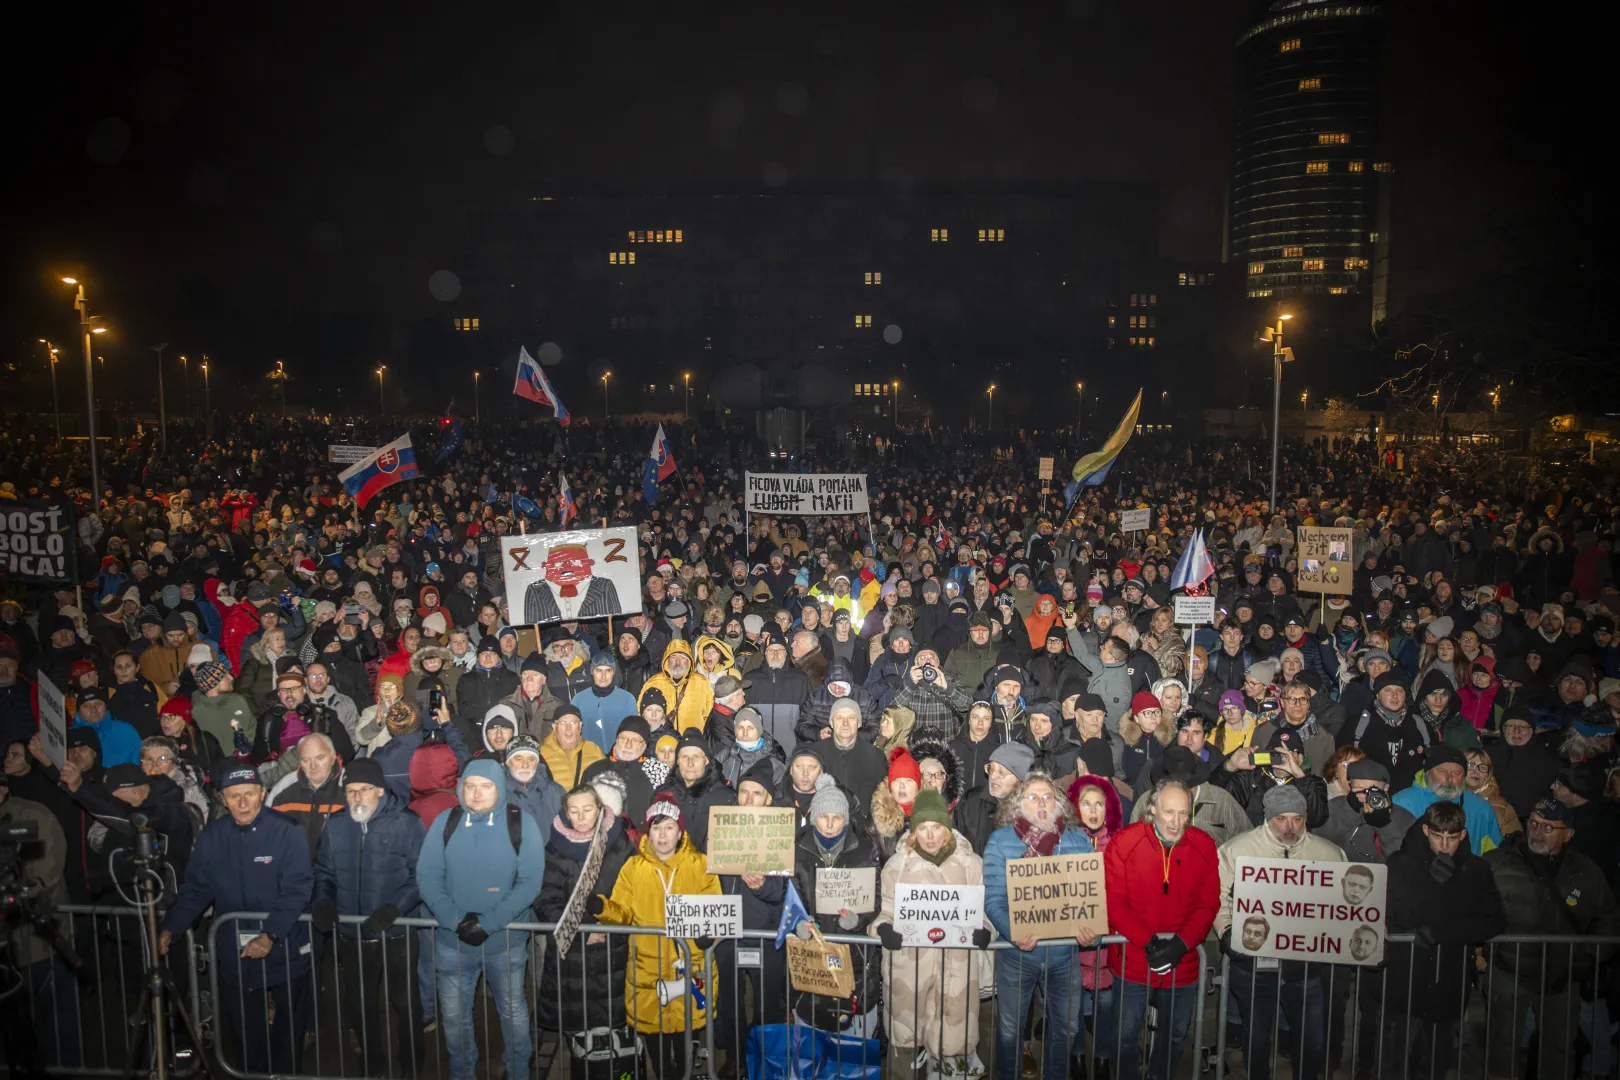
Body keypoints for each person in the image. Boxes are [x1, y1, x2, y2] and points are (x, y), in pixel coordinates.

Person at [158, 763, 314, 1075]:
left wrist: (270, 934)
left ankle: (285, 1074)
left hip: (285, 945)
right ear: (223, 800)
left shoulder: (288, 831)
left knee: (289, 1025)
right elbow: (197, 889)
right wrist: (171, 927)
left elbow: (298, 888)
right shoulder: (213, 837)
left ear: (263, 794)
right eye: (234, 796)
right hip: (235, 949)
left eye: (249, 794)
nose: (242, 803)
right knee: (245, 1028)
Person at [415, 758, 547, 1080]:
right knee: (454, 1019)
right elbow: (428, 877)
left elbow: (529, 883)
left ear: (499, 788)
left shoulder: (521, 824)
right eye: (470, 786)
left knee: (513, 1014)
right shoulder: (446, 822)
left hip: (506, 944)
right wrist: (455, 920)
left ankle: (518, 1072)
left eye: (485, 786)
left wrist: (488, 923)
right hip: (453, 944)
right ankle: (462, 1073)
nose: (476, 793)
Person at [1479, 797, 1620, 1080]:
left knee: (1557, 1051)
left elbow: (1609, 920)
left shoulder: (1586, 872)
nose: (1537, 831)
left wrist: (1585, 958)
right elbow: (1474, 910)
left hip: (1562, 979)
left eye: (1547, 827)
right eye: (1533, 823)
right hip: (1509, 973)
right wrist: (1483, 952)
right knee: (1501, 1048)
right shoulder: (1497, 863)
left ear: (1568, 834)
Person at [1365, 799, 1505, 1080]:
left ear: (1462, 835)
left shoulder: (1476, 869)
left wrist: (1442, 933)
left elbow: (1493, 921)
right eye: (1438, 836)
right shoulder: (1401, 863)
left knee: (1435, 1066)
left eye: (1451, 838)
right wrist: (1432, 887)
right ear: (1426, 830)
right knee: (1394, 1065)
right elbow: (1396, 915)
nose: (1444, 845)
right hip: (1404, 984)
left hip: (1448, 984)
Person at [1216, 784, 1346, 1080]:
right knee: (1257, 1038)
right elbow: (1219, 897)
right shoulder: (1237, 850)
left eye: (1297, 819)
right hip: (1253, 965)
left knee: (1311, 1040)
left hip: (1305, 966)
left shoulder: (1329, 854)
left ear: (1306, 817)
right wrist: (1227, 930)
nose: (1290, 827)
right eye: (1281, 819)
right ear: (1268, 817)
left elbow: (1350, 906)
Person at [587, 792, 721, 1080]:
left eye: (669, 827)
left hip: (691, 966)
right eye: (656, 827)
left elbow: (716, 911)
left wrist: (708, 936)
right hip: (648, 971)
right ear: (648, 831)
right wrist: (603, 908)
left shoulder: (700, 864)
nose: (662, 835)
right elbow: (621, 912)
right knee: (658, 1051)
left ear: (680, 831)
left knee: (686, 1046)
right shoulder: (634, 868)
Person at [310, 756, 427, 1077]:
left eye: (364, 789)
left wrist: (394, 909)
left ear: (380, 790)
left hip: (397, 934)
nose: (356, 797)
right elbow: (323, 872)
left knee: (406, 1003)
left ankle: (412, 1063)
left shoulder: (406, 823)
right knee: (361, 1004)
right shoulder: (336, 825)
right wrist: (323, 901)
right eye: (350, 791)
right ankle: (372, 1063)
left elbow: (421, 875)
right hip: (353, 935)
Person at [1098, 779, 1219, 1080]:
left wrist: (1183, 943)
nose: (1176, 822)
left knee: (1174, 1037)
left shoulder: (1203, 844)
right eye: (1169, 812)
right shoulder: (1125, 842)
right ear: (1153, 809)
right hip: (1133, 960)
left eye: (1183, 813)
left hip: (1183, 963)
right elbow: (1113, 902)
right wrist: (1148, 942)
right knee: (1125, 1036)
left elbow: (1208, 903)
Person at [983, 770, 1095, 1080]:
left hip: (1064, 956)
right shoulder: (1001, 841)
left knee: (1067, 1028)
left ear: (1058, 802)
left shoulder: (1078, 840)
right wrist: (1014, 932)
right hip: (1017, 956)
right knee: (1010, 1030)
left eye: (1048, 796)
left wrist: (1092, 932)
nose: (1042, 803)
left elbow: (1092, 894)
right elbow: (993, 899)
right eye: (1033, 797)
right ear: (1018, 804)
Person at [872, 790, 990, 1079]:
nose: (930, 836)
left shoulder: (970, 863)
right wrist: (884, 929)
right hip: (911, 972)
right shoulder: (897, 866)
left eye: (936, 827)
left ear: (946, 827)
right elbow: (885, 911)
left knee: (952, 1047)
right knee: (906, 1052)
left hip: (956, 973)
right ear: (914, 831)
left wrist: (986, 932)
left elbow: (983, 912)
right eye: (922, 828)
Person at [534, 781, 635, 1050]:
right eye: (574, 810)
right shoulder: (554, 847)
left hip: (612, 944)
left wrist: (608, 923)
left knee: (611, 1018)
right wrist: (580, 931)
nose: (581, 817)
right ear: (566, 812)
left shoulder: (620, 843)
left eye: (587, 810)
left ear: (599, 809)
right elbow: (546, 898)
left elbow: (633, 890)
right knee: (576, 1021)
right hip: (572, 950)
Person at [0, 767, 80, 1072]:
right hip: (7, 952)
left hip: (41, 942)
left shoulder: (33, 816)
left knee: (55, 1025)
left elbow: (45, 875)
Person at [791, 774, 883, 1035]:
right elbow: (790, 895)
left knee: (854, 1044)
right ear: (814, 817)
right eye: (824, 817)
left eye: (837, 817)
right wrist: (798, 924)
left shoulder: (864, 849)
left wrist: (858, 919)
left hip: (854, 956)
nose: (830, 824)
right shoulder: (798, 850)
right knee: (812, 1038)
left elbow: (875, 897)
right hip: (812, 958)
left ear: (846, 819)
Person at [1391, 745, 1503, 855]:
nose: (1449, 778)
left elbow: (1495, 855)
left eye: (1456, 773)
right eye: (1442, 771)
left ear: (1464, 776)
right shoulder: (1402, 803)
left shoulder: (1480, 808)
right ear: (1428, 772)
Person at [1316, 759, 1416, 863]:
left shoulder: (1404, 818)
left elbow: (1402, 863)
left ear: (1386, 788)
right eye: (1359, 789)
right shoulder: (1334, 807)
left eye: (1373, 791)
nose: (1366, 796)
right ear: (1350, 785)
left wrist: (1384, 824)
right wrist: (1350, 811)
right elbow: (1320, 846)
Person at [572, 651, 638, 754]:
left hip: (619, 755)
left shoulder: (627, 699)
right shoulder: (579, 700)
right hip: (589, 756)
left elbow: (634, 732)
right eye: (599, 670)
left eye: (608, 670)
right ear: (592, 672)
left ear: (614, 672)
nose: (603, 676)